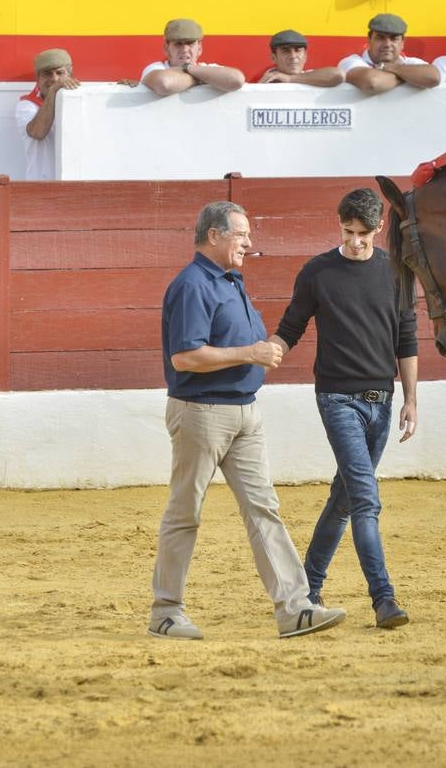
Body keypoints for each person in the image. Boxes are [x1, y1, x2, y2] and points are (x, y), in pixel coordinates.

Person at [150, 201, 347, 641]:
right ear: (214, 235)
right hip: (201, 413)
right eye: (241, 234)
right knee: (186, 512)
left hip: (244, 413)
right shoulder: (193, 285)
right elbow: (185, 356)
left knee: (264, 509)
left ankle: (295, 609)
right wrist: (251, 353)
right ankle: (165, 612)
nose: (249, 242)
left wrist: (260, 351)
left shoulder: (229, 281)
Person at [270, 188, 419, 630]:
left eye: (363, 233)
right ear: (340, 225)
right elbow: (291, 326)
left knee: (345, 500)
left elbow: (406, 339)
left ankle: (307, 590)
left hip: (382, 399)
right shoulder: (317, 272)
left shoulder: (397, 272)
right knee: (366, 500)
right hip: (336, 399)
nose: (355, 241)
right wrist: (268, 351)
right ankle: (384, 598)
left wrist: (411, 398)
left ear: (377, 229)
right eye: (348, 231)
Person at [15, 48, 78, 181]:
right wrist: (54, 91)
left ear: (70, 75)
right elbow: (38, 133)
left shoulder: (81, 102)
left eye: (59, 73)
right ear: (38, 78)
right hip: (40, 188)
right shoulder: (26, 106)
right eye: (47, 74)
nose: (54, 79)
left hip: (75, 186)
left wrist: (130, 89)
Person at [338, 13, 440, 94]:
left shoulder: (409, 61)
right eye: (380, 38)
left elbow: (433, 77)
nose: (387, 44)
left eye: (394, 38)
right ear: (369, 39)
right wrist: (410, 77)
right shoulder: (351, 61)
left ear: (402, 42)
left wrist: (388, 68)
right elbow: (373, 82)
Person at [140, 18, 246, 95]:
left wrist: (190, 69)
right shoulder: (156, 68)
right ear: (166, 49)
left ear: (199, 48)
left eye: (190, 43)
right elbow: (164, 84)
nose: (185, 49)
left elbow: (236, 79)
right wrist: (202, 78)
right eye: (178, 43)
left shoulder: (206, 67)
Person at [258, 29, 345, 85]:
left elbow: (338, 75)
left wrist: (290, 79)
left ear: (305, 57)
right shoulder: (264, 82)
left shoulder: (313, 76)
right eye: (285, 51)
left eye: (298, 50)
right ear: (273, 58)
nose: (293, 56)